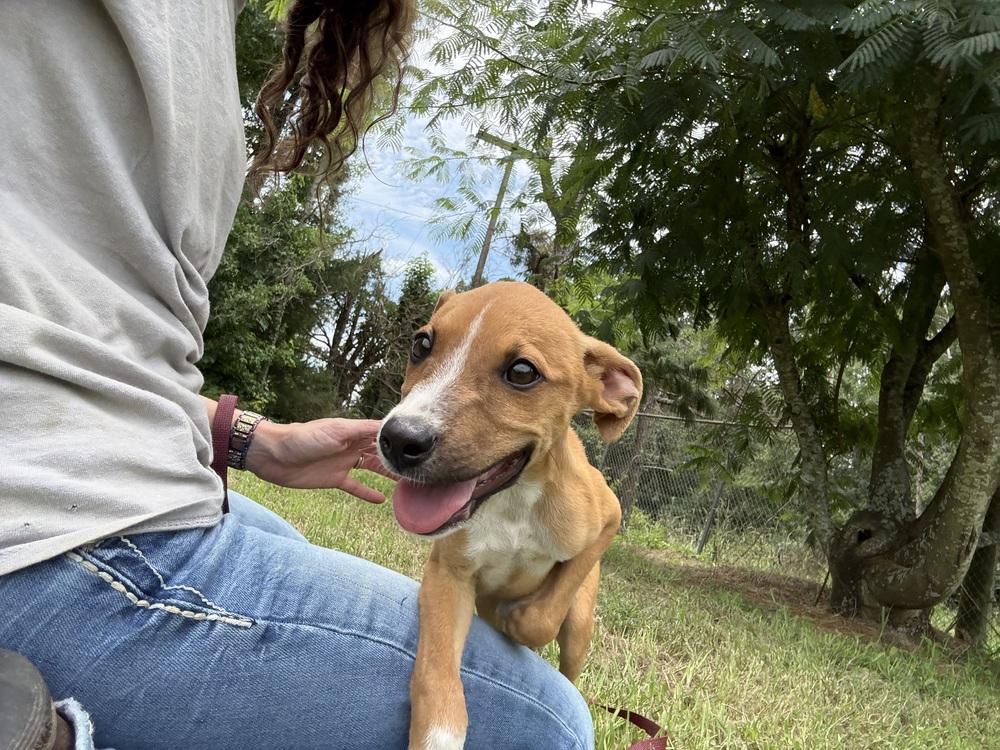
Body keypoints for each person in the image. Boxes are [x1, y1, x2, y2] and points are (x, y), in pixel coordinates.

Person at [0, 2, 594, 748]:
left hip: (105, 472)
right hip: (43, 524)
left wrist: (243, 436)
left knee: (289, 542)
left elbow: (73, 324)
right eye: (424, 348)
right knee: (551, 725)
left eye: (517, 373)